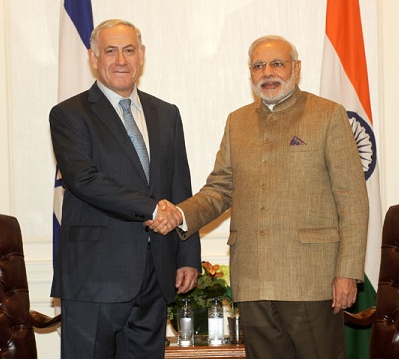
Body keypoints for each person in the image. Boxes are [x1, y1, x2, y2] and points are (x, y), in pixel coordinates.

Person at [148, 35, 369, 359]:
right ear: (250, 73)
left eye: (277, 63)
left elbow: (352, 199)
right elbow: (220, 189)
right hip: (253, 280)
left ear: (296, 68)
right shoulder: (237, 122)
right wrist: (179, 214)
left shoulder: (328, 115)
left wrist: (347, 272)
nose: (268, 72)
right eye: (258, 66)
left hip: (310, 280)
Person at [49, 19, 201, 359]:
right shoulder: (69, 114)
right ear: (93, 57)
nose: (121, 60)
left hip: (156, 275)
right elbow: (83, 179)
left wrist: (187, 256)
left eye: (129, 50)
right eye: (111, 51)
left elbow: (180, 184)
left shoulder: (166, 113)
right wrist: (152, 209)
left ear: (142, 55)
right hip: (95, 276)